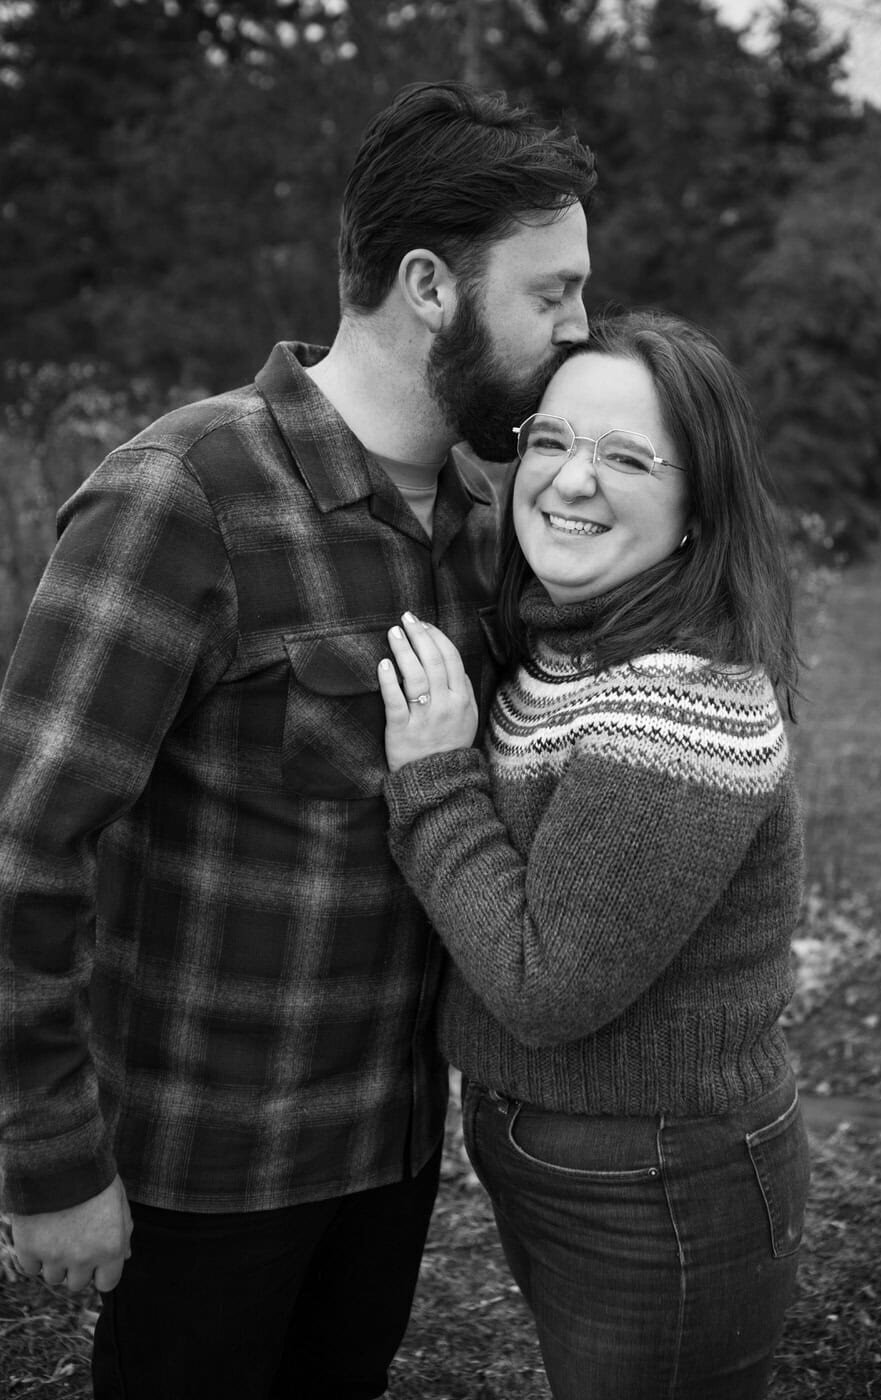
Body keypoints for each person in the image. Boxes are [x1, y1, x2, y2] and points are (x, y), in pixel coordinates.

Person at [0, 81, 595, 1399]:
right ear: (432, 286)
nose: (579, 327)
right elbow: (21, 852)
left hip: (389, 1158)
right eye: (551, 292)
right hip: (210, 1177)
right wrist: (49, 1161)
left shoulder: (492, 527)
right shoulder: (185, 495)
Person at [377, 310, 810, 1400]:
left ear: (695, 511)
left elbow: (547, 984)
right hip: (581, 1156)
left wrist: (433, 776)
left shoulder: (678, 699)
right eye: (554, 440)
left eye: (626, 457)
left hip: (657, 1172)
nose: (570, 480)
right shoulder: (575, 644)